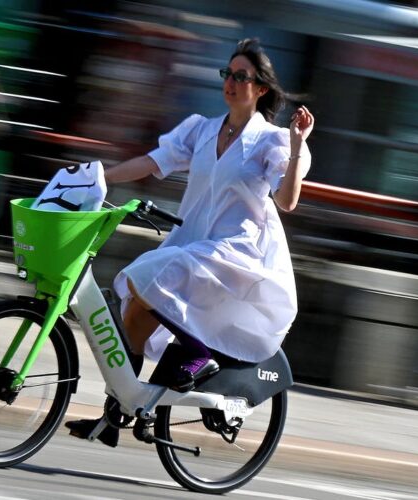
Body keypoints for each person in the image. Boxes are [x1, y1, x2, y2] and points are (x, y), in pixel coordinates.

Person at [66, 38, 314, 447]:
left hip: (237, 252)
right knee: (133, 316)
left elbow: (286, 201)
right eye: (227, 74)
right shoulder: (202, 129)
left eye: (241, 76)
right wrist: (101, 178)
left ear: (261, 88)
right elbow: (153, 162)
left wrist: (297, 143)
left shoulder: (272, 141)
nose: (231, 82)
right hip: (195, 243)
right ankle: (117, 415)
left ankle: (202, 354)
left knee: (142, 274)